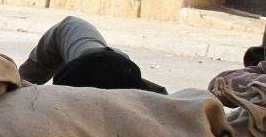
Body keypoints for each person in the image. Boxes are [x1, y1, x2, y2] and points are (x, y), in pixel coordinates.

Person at [19, 16, 167, 93]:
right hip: (118, 62)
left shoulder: (62, 32)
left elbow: (29, 73)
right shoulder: (71, 29)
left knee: (21, 83)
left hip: (87, 61)